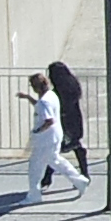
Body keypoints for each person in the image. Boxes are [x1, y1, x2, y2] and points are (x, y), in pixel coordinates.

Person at [23, 73, 87, 202]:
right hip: (55, 136)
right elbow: (40, 107)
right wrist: (29, 98)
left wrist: (37, 131)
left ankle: (34, 195)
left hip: (45, 138)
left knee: (35, 167)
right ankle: (80, 181)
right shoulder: (51, 96)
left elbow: (48, 120)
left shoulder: (44, 101)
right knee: (56, 161)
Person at [45, 61, 91, 176]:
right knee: (75, 146)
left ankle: (47, 177)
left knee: (55, 150)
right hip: (75, 119)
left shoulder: (58, 91)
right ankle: (84, 173)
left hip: (64, 122)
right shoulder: (73, 85)